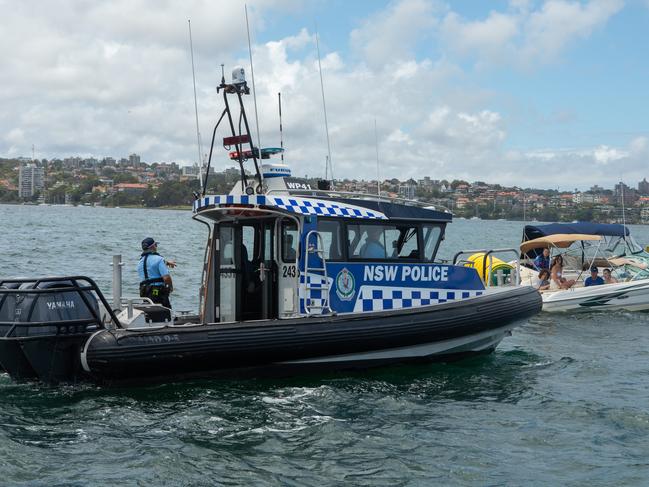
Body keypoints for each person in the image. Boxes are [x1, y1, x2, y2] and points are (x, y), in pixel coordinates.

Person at [137, 237, 176, 308]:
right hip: (157, 291)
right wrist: (170, 287)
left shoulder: (140, 262)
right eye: (156, 245)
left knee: (149, 310)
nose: (156, 247)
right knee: (164, 310)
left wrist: (167, 263)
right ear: (153, 247)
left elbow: (151, 264)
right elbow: (166, 278)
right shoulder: (159, 259)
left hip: (144, 291)